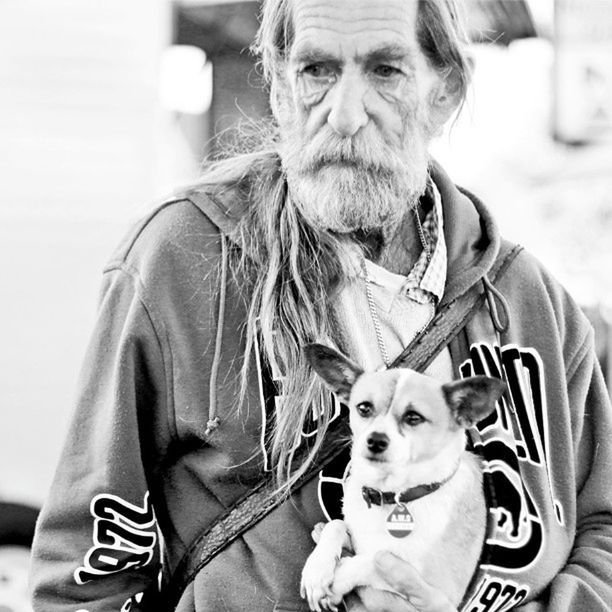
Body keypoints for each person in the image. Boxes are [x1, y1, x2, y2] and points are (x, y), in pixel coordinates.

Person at [29, 0, 612, 610]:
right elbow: (83, 574)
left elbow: (600, 528)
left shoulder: (532, 302)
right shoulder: (180, 261)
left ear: (445, 91)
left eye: (386, 71)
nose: (346, 113)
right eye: (317, 70)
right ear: (280, 87)